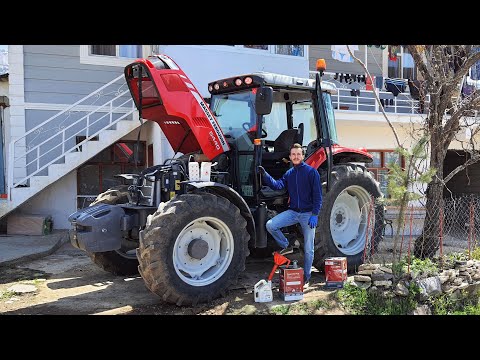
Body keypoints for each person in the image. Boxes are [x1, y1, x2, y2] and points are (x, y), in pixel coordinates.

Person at [258, 143, 322, 288]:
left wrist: (315, 214)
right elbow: (278, 186)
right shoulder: (289, 174)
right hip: (293, 212)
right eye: (293, 154)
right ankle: (286, 245)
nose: (296, 156)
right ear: (290, 157)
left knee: (309, 249)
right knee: (271, 225)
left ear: (303, 155)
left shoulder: (312, 173)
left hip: (307, 214)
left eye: (298, 154)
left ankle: (306, 277)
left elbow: (318, 197)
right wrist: (265, 175)